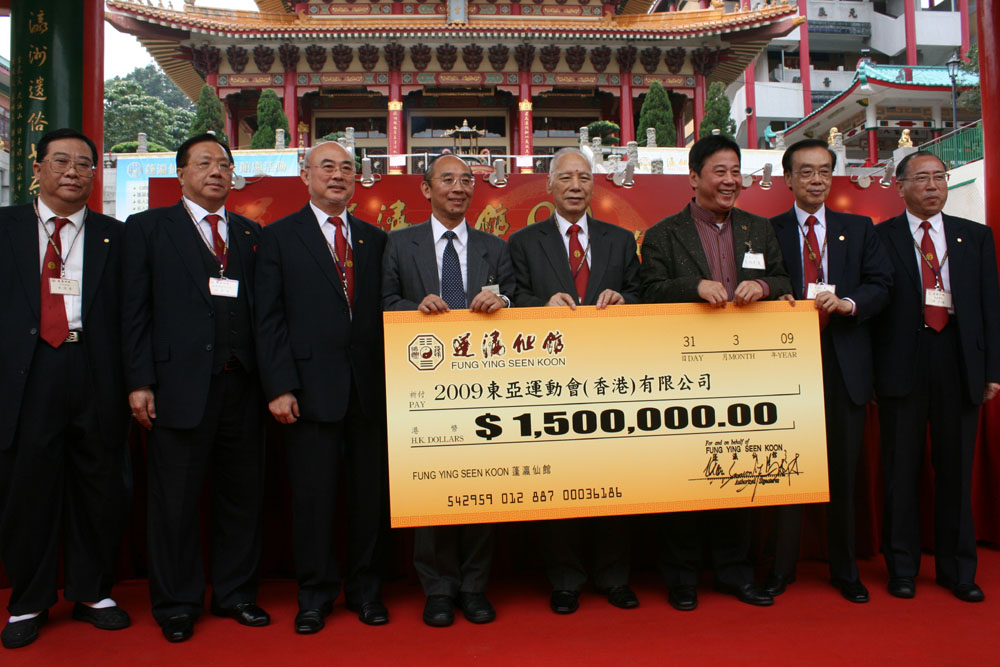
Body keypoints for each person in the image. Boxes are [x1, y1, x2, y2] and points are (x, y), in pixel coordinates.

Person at [122, 133, 269, 642]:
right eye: (203, 163)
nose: (215, 172)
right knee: (175, 502)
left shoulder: (249, 233)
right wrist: (139, 380)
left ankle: (236, 594)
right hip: (176, 387)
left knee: (241, 499)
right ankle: (177, 603)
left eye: (223, 164)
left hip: (242, 387)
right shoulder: (148, 228)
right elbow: (133, 310)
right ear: (180, 173)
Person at [639, 134, 791, 611]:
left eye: (735, 171)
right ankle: (681, 576)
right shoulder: (663, 233)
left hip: (745, 370)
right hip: (684, 371)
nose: (730, 181)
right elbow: (648, 291)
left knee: (737, 468)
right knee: (683, 472)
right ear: (694, 178)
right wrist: (694, 286)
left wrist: (762, 285)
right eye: (719, 171)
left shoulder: (758, 229)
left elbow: (784, 278)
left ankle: (734, 571)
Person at [0, 128, 130, 649]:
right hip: (27, 371)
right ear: (37, 169)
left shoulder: (115, 236)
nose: (72, 171)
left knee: (98, 485)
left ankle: (92, 592)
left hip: (95, 368)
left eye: (83, 163)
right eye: (60, 161)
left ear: (95, 174)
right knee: (27, 488)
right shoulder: (6, 227)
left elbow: (132, 314)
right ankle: (29, 600)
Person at [255, 141, 389, 633]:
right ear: (305, 175)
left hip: (370, 392)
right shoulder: (279, 237)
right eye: (326, 167)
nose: (337, 175)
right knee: (313, 501)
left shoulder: (375, 239)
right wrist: (279, 386)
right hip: (308, 392)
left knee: (369, 501)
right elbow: (268, 319)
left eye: (346, 168)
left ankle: (367, 592)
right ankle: (314, 596)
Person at [507, 147, 641, 615]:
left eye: (584, 177)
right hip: (551, 376)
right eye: (565, 177)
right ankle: (565, 578)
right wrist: (540, 306)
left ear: (593, 184)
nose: (575, 185)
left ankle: (614, 576)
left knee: (612, 477)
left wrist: (624, 299)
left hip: (610, 374)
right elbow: (511, 296)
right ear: (549, 185)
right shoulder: (523, 242)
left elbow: (640, 293)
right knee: (560, 478)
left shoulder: (620, 240)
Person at [382, 154, 514, 627]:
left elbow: (516, 297)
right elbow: (384, 300)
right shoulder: (398, 244)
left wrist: (502, 299)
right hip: (423, 384)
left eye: (466, 181)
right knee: (431, 486)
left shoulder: (495, 247)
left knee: (482, 485)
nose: (458, 188)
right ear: (426, 189)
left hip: (482, 384)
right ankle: (437, 589)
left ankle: (475, 586)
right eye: (447, 179)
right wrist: (414, 308)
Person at [766, 139, 892, 603]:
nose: (816, 180)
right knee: (784, 470)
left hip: (845, 365)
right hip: (785, 366)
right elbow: (756, 281)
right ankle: (780, 569)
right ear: (788, 179)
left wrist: (848, 303)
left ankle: (845, 570)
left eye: (824, 171)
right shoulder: (768, 230)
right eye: (806, 172)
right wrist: (771, 296)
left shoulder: (858, 229)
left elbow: (882, 284)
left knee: (843, 472)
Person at [874, 151, 1000, 602]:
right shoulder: (881, 237)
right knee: (900, 471)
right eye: (922, 179)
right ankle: (902, 568)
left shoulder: (975, 236)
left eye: (939, 178)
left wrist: (992, 370)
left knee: (956, 472)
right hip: (901, 365)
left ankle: (958, 570)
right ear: (900, 186)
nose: (933, 186)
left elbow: (989, 305)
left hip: (959, 361)